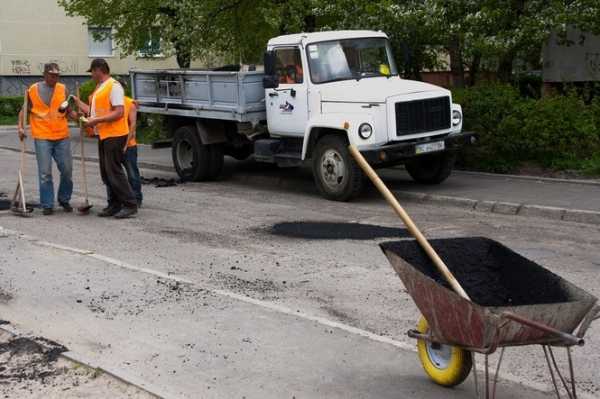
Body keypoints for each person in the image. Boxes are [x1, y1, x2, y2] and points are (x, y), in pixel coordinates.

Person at [74, 58, 137, 218]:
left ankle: (130, 204)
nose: (92, 75)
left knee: (114, 171)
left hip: (115, 134)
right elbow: (95, 111)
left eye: (92, 72)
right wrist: (80, 107)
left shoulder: (114, 86)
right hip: (104, 134)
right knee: (106, 172)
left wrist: (96, 120)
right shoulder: (100, 88)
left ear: (99, 69)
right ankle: (114, 204)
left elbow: (119, 112)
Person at [17, 63, 77, 215]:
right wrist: (20, 127)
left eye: (57, 75)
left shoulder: (63, 89)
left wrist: (80, 119)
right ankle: (47, 204)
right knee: (45, 173)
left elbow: (68, 111)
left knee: (67, 170)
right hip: (42, 136)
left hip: (61, 135)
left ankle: (64, 199)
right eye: (52, 75)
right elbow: (23, 111)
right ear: (45, 74)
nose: (54, 78)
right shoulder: (33, 90)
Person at [110, 79, 142, 207]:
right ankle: (118, 200)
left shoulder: (130, 103)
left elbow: (133, 124)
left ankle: (136, 198)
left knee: (132, 174)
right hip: (114, 144)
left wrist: (126, 143)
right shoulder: (110, 104)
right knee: (114, 174)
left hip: (128, 145)